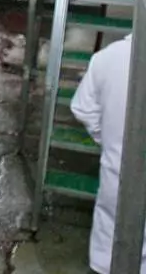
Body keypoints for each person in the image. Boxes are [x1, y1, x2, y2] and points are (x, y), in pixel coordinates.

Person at [71, 34, 146, 273]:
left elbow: (82, 108)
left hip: (117, 174)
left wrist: (109, 140)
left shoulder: (107, 57)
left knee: (110, 246)